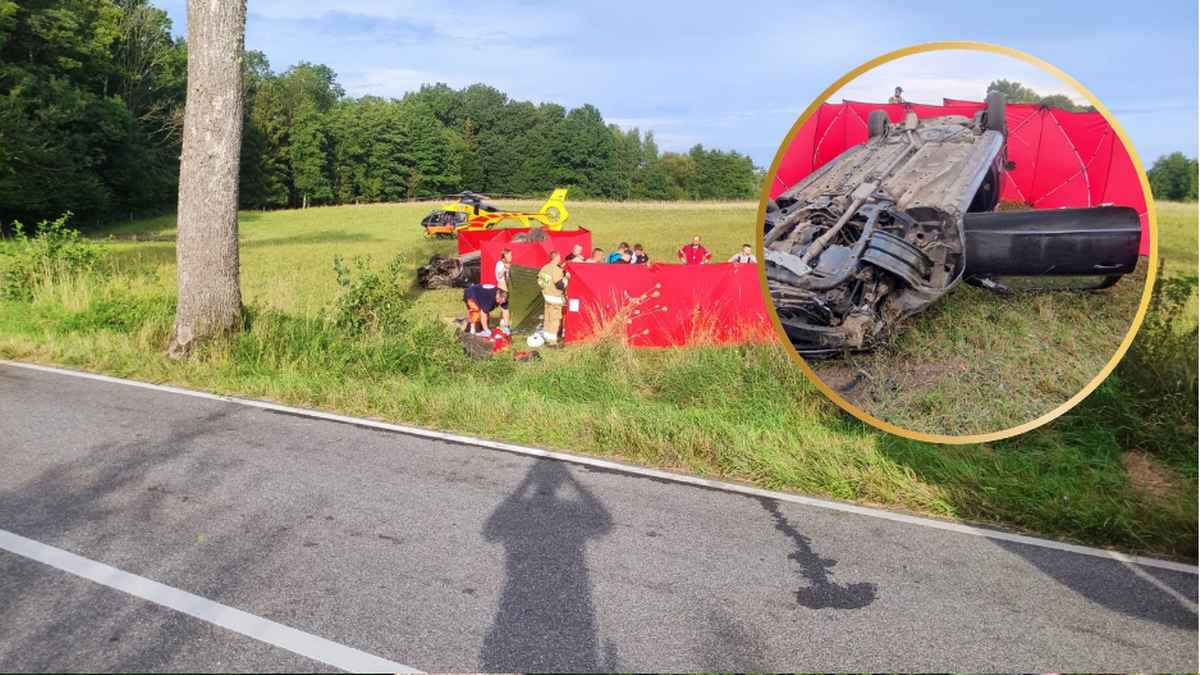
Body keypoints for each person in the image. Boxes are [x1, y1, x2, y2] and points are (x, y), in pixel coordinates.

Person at [537, 250, 568, 345]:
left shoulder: (545, 268)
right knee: (554, 320)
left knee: (548, 318)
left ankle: (546, 338)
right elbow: (559, 285)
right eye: (559, 257)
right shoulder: (556, 270)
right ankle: (552, 342)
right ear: (556, 257)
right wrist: (567, 279)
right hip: (555, 299)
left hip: (547, 298)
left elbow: (539, 279)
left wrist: (545, 287)